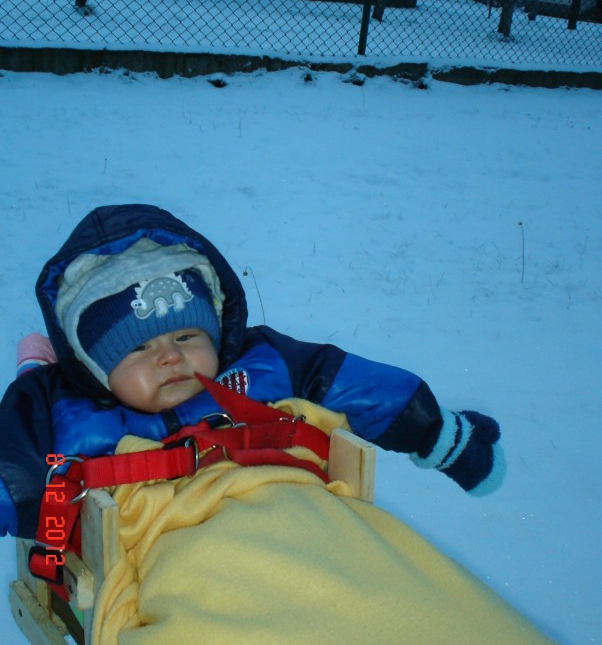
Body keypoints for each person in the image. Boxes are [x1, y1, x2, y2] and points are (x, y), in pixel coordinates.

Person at [1, 204, 556, 645]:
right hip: (182, 549)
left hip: (305, 516)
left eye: (187, 337)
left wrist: (442, 437)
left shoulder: (263, 365)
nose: (170, 358)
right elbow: (12, 470)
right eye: (140, 348)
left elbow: (356, 386)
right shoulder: (66, 410)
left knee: (414, 601)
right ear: (95, 367)